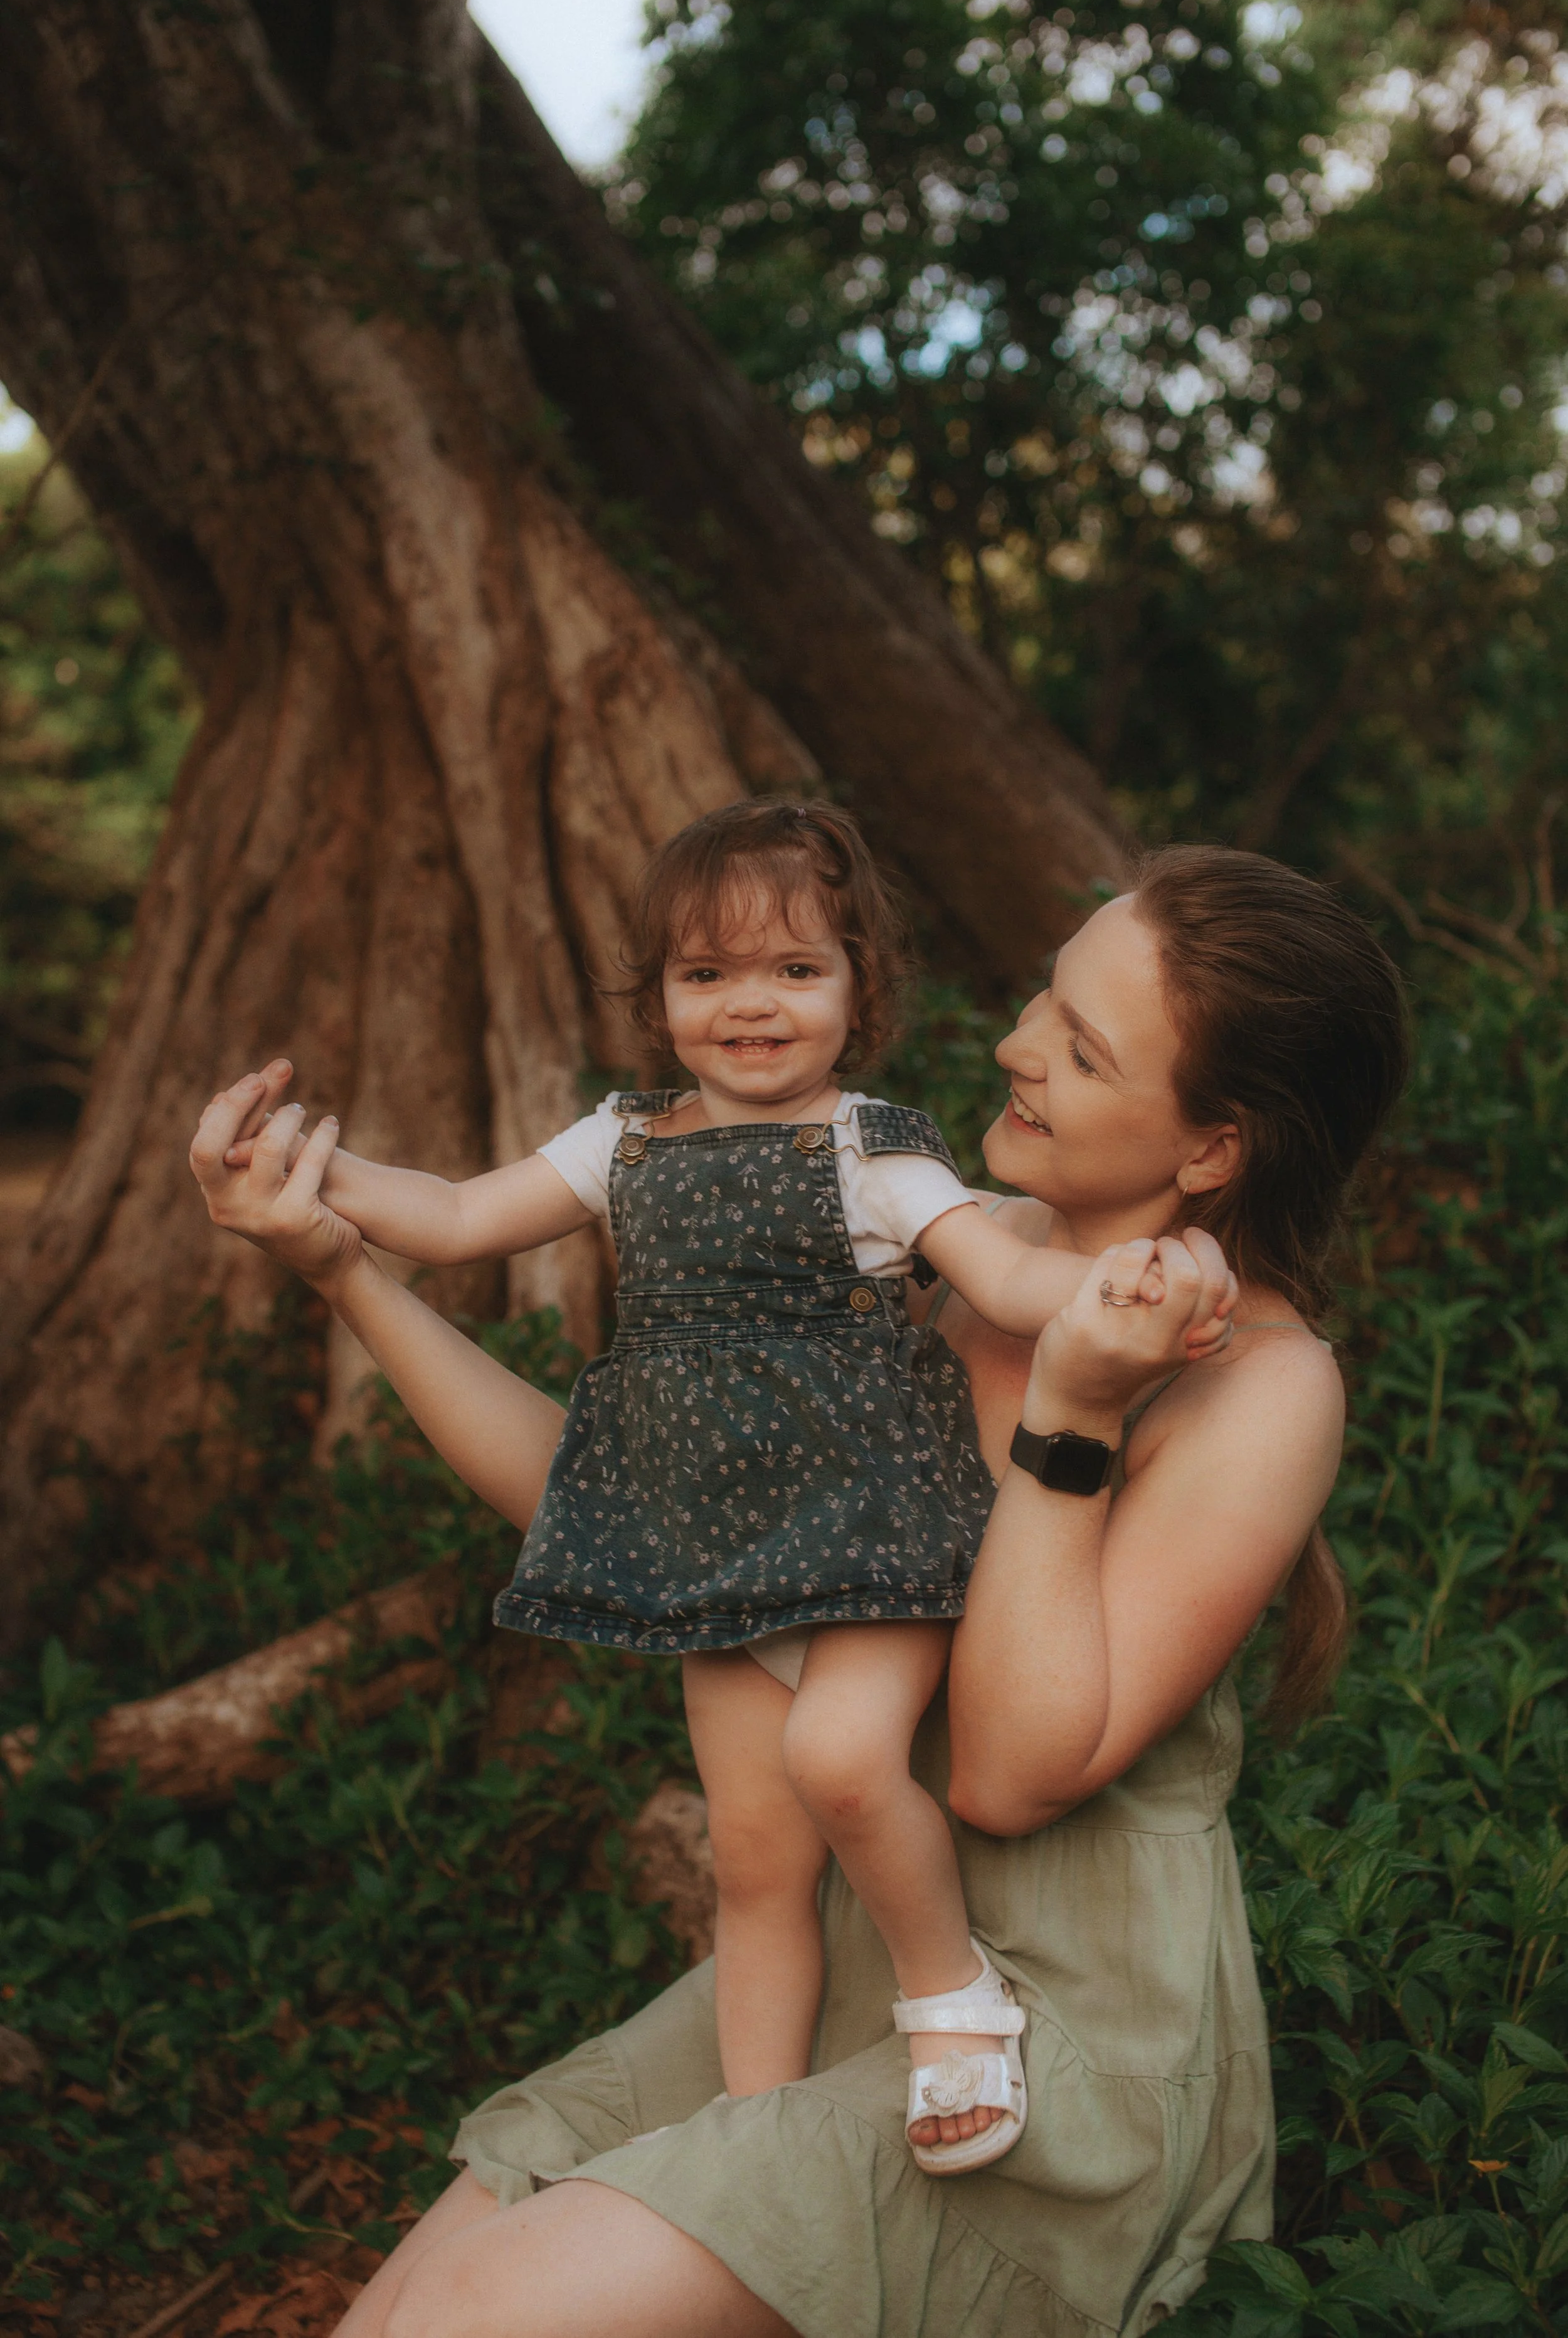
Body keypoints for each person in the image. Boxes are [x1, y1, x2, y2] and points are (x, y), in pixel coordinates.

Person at [189, 843, 1407, 2337]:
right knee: (390, 2322)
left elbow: (1015, 1774)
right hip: (832, 1950)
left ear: (1210, 1149)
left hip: (1044, 2018)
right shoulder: (955, 1246)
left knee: (475, 2322)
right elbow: (647, 1517)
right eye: (1043, 995)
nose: (1015, 1044)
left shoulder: (1265, 1392)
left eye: (1079, 1048)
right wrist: (343, 1266)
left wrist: (1073, 1416)